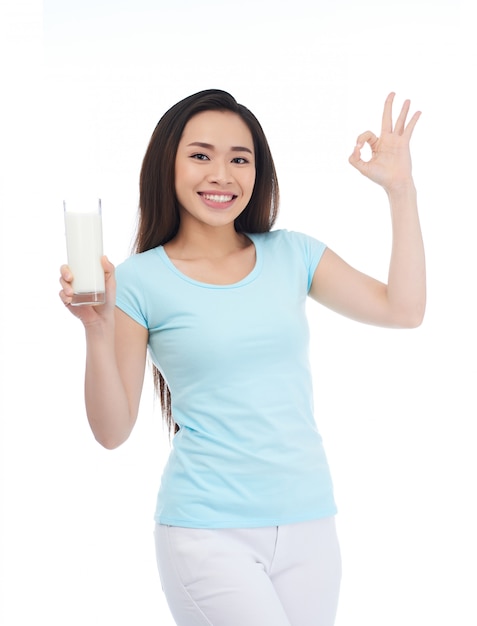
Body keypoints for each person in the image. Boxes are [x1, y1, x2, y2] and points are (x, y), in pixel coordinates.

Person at [59, 89, 425, 626]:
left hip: (310, 526)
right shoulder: (138, 281)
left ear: (258, 172)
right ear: (169, 163)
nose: (222, 174)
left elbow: (404, 309)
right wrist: (96, 329)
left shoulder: (293, 254)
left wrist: (401, 190)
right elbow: (113, 431)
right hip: (208, 533)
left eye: (240, 159)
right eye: (201, 155)